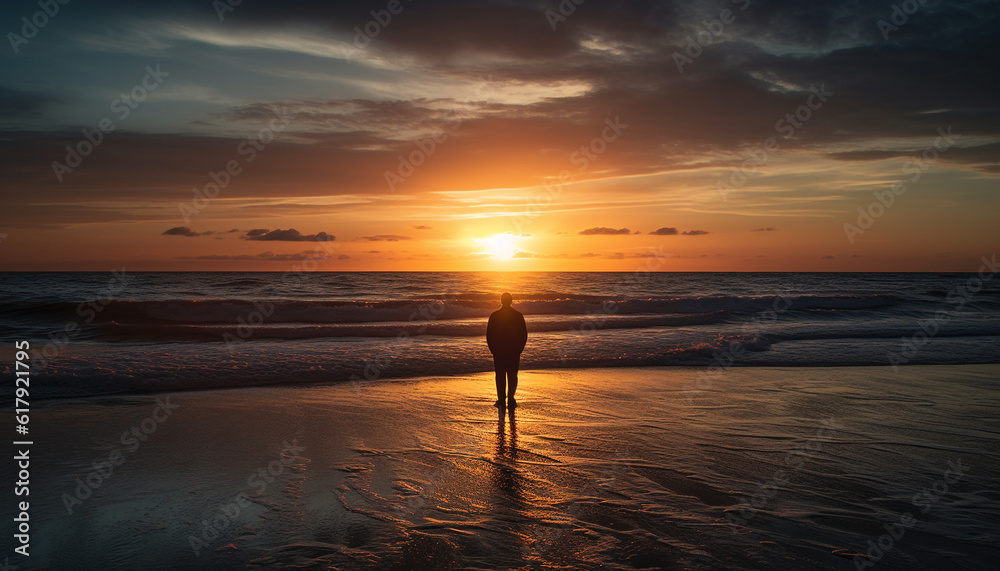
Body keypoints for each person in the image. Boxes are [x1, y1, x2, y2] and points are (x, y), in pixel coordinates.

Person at [486, 292, 527, 408]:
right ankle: (511, 399)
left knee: (500, 375)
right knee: (512, 374)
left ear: (501, 301)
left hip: (499, 350)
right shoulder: (518, 315)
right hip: (513, 349)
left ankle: (501, 400)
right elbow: (523, 334)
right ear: (511, 301)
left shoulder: (494, 316)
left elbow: (489, 335)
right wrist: (520, 348)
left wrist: (492, 349)